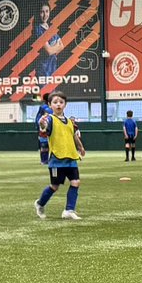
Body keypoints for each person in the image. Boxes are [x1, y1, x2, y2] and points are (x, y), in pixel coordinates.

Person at [33, 90, 86, 221]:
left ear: (65, 104)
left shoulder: (69, 121)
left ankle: (69, 210)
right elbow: (44, 127)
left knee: (76, 182)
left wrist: (80, 147)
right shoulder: (49, 119)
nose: (58, 105)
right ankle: (40, 204)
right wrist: (41, 123)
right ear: (50, 105)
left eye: (61, 102)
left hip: (71, 158)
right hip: (57, 159)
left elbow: (73, 135)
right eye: (55, 102)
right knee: (54, 186)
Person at [33, 2, 65, 83]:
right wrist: (54, 47)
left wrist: (52, 48)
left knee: (51, 94)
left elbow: (62, 46)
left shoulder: (51, 28)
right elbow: (49, 51)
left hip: (53, 67)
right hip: (43, 69)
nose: (45, 15)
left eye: (47, 11)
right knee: (40, 94)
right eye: (42, 12)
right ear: (38, 13)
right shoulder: (38, 29)